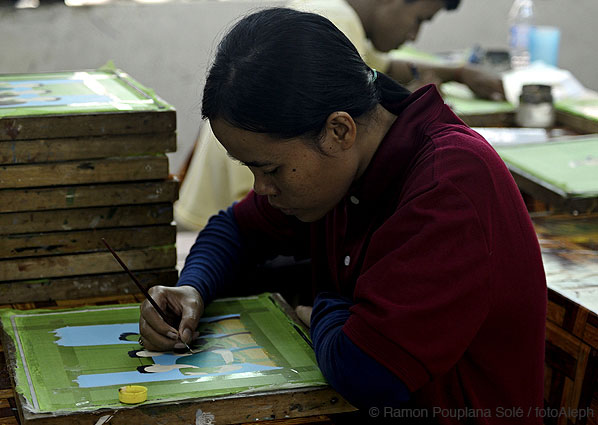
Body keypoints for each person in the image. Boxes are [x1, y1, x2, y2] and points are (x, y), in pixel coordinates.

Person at [141, 8, 547, 423]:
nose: (262, 188)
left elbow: (368, 373)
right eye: (251, 170)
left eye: (270, 169)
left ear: (339, 131)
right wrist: (193, 287)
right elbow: (235, 228)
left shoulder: (449, 186)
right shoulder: (343, 168)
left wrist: (324, 306)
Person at [174, 0, 506, 230]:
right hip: (216, 212)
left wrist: (459, 72)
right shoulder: (333, 21)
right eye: (419, 19)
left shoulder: (335, 15)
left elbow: (384, 68)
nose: (414, 36)